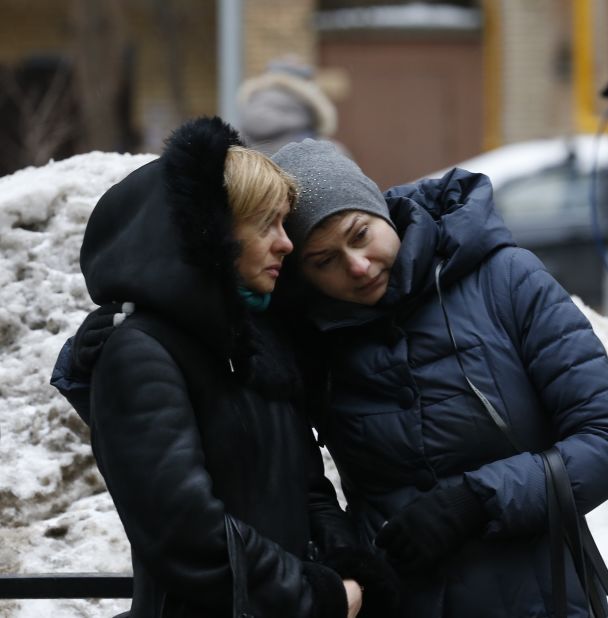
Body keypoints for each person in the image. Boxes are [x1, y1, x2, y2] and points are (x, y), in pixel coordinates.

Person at [267, 139, 608, 617]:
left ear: (381, 209)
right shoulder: (311, 337)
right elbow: (301, 486)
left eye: (360, 234)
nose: (357, 266)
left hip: (539, 599)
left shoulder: (507, 280)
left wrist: (475, 501)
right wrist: (353, 561)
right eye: (324, 261)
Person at [50, 118, 396, 618]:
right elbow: (186, 534)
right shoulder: (140, 352)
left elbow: (308, 490)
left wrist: (349, 567)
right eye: (267, 225)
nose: (287, 244)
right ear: (211, 237)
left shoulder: (257, 342)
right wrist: (314, 597)